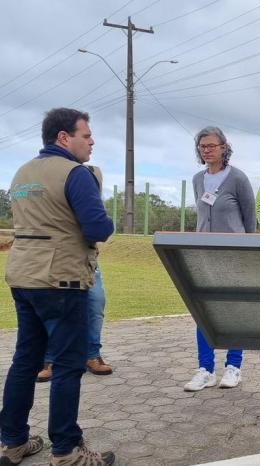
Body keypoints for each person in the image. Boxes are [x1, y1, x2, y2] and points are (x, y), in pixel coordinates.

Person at [0, 108, 115, 465]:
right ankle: (65, 451)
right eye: (86, 135)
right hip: (61, 280)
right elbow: (97, 229)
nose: (92, 140)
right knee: (68, 365)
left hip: (23, 276)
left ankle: (13, 442)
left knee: (25, 361)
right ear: (64, 138)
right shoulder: (75, 174)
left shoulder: (22, 173)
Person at [186, 126, 256, 392]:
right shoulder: (197, 179)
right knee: (203, 311)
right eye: (203, 146)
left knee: (234, 311)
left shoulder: (237, 178)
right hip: (205, 256)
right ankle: (205, 369)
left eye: (212, 146)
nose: (207, 150)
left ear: (224, 147)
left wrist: (250, 253)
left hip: (234, 255)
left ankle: (233, 366)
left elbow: (250, 219)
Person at [36, 265, 112, 382]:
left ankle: (92, 356)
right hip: (58, 264)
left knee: (96, 307)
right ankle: (51, 360)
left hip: (88, 264)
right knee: (56, 311)